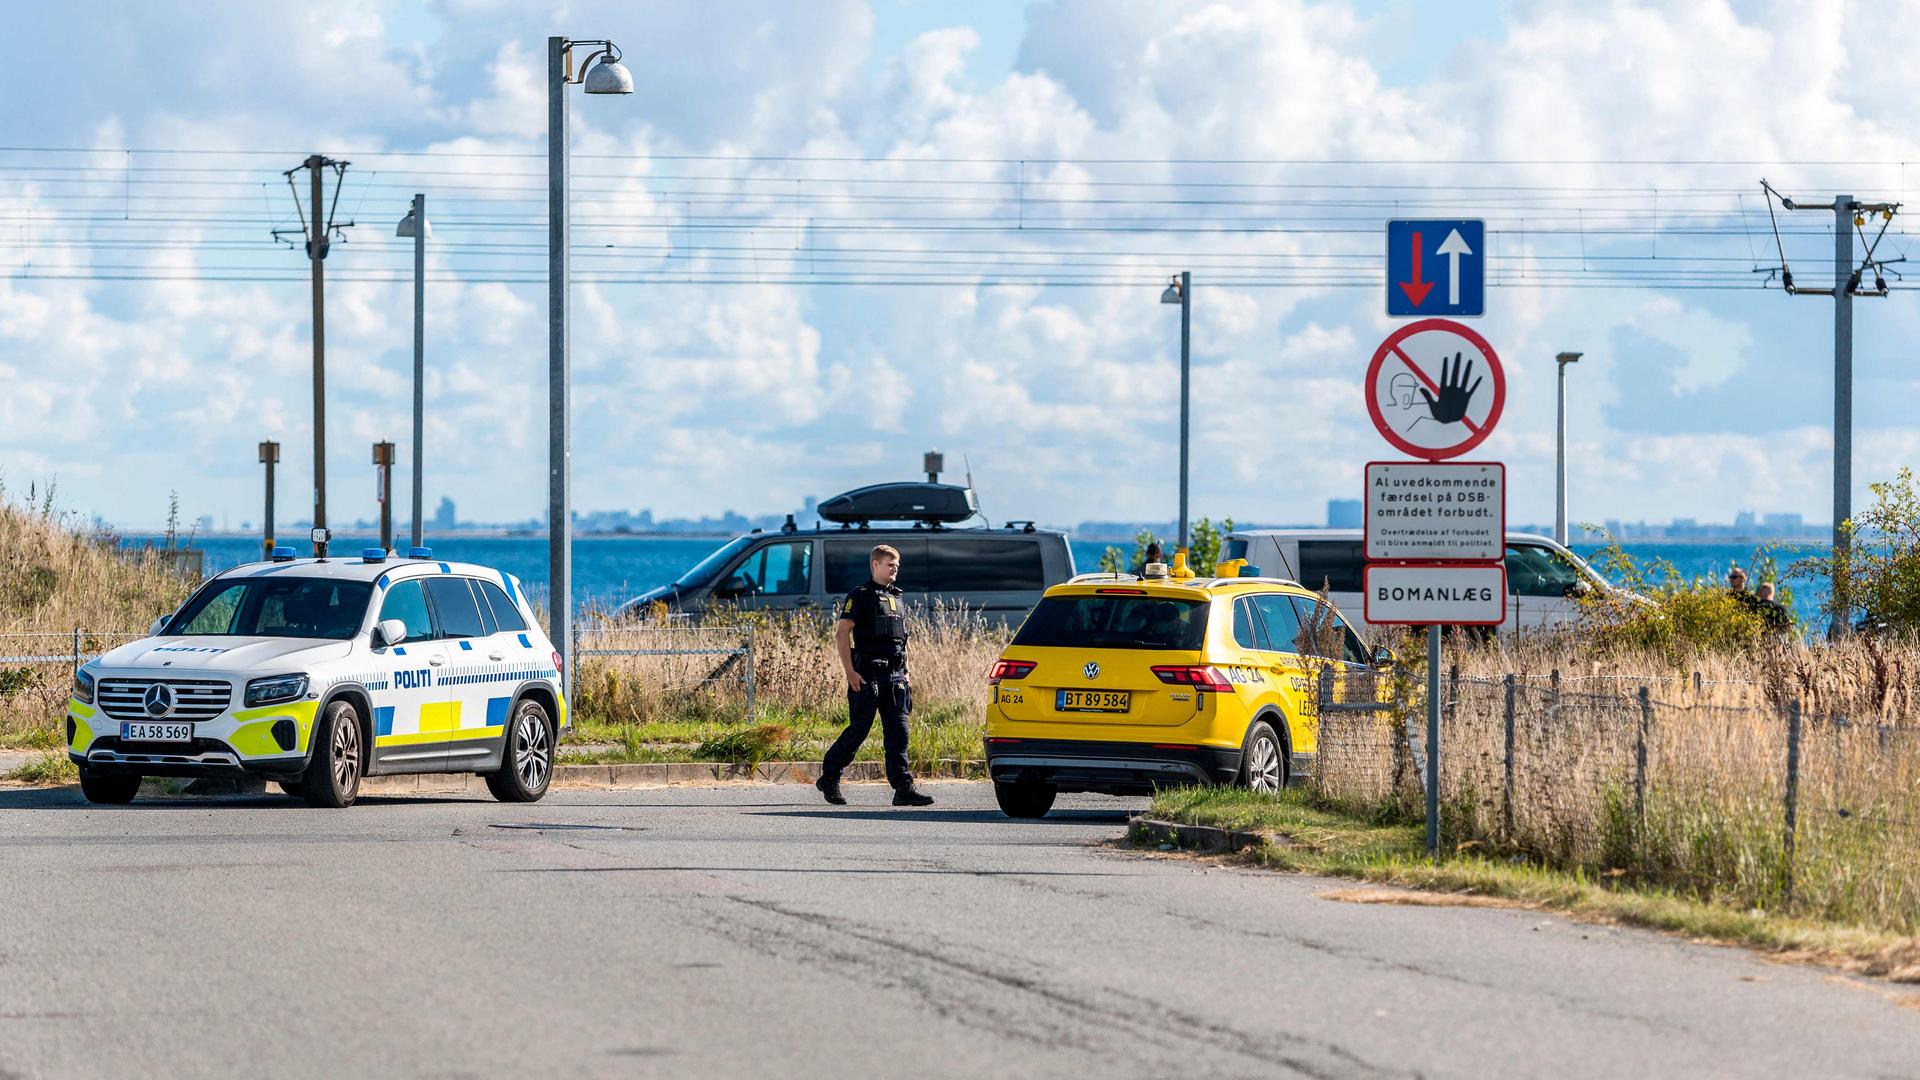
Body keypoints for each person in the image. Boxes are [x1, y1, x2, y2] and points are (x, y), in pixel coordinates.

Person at [816, 545, 934, 807]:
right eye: (890, 565)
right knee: (859, 730)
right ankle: (830, 776)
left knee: (899, 732)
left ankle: (903, 787)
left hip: (895, 677)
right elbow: (841, 633)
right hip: (866, 674)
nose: (895, 569)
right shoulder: (860, 596)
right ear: (875, 565)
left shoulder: (896, 597)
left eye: (897, 565)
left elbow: (901, 639)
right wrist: (850, 672)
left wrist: (906, 672)